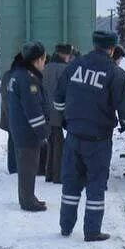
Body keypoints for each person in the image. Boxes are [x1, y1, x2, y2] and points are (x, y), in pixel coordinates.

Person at [54, 31, 125, 241]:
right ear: (112, 49)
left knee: (71, 183)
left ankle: (66, 227)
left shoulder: (74, 66)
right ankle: (92, 231)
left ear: (95, 45)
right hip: (98, 141)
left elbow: (58, 101)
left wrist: (69, 121)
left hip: (74, 137)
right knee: (95, 184)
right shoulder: (115, 74)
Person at [7, 42, 50, 211]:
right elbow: (33, 109)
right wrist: (43, 133)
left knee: (27, 167)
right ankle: (27, 201)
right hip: (27, 132)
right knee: (28, 167)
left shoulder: (18, 74)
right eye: (44, 59)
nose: (44, 63)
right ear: (37, 60)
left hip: (20, 130)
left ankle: (28, 196)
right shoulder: (27, 79)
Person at [42, 43, 74, 183]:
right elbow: (67, 93)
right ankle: (58, 176)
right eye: (69, 55)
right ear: (64, 55)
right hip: (58, 111)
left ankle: (49, 173)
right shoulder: (64, 69)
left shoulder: (46, 67)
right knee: (59, 145)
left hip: (45, 110)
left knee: (51, 143)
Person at [0, 68, 16, 174]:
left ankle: (13, 166)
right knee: (14, 141)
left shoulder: (7, 75)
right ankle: (14, 167)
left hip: (9, 114)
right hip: (13, 115)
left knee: (12, 140)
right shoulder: (15, 76)